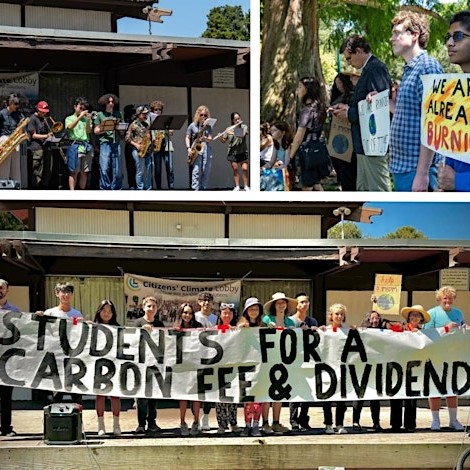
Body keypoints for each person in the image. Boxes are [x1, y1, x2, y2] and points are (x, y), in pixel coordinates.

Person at [389, 11, 443, 191]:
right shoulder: (410, 69)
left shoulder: (428, 67)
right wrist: (382, 102)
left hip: (416, 171)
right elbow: (409, 113)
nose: (392, 38)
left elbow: (434, 125)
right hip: (403, 168)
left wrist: (422, 174)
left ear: (414, 35)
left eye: (397, 33)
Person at [331, 35, 392, 191]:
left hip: (373, 146)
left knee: (378, 192)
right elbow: (365, 105)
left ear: (358, 51)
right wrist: (347, 108)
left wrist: (350, 113)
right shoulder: (368, 70)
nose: (348, 62)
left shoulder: (375, 68)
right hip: (364, 146)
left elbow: (378, 111)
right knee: (364, 191)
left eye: (349, 58)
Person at [423, 286, 465, 431]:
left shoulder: (459, 313)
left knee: (453, 388)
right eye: (445, 298)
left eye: (450, 298)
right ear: (440, 299)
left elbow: (462, 330)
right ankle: (435, 420)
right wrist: (446, 328)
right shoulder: (432, 313)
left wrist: (464, 328)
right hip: (435, 356)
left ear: (454, 299)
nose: (447, 300)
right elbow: (427, 334)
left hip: (453, 356)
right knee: (435, 388)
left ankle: (453, 420)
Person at [35, 282, 83, 404]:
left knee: (76, 396)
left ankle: (77, 421)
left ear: (72, 295)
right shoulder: (49, 313)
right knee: (54, 398)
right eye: (63, 292)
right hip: (53, 360)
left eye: (68, 292)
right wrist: (37, 318)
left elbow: (78, 333)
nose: (66, 295)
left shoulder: (76, 315)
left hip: (70, 360)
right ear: (57, 294)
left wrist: (86, 325)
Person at [438, 10, 470, 191]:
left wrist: (459, 181)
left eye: (458, 36)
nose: (449, 43)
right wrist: (446, 182)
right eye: (448, 37)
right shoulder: (455, 91)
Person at [389, 305, 430, 432]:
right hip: (398, 366)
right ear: (408, 317)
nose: (415, 317)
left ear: (421, 319)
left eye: (418, 315)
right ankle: (395, 424)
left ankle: (410, 425)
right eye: (413, 315)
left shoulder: (426, 333)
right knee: (396, 395)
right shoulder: (400, 328)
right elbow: (385, 328)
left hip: (415, 368)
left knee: (411, 396)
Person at [261, 292, 296, 434]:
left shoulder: (290, 322)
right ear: (274, 305)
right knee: (266, 392)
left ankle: (276, 422)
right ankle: (265, 422)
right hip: (268, 359)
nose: (281, 305)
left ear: (286, 305)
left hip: (283, 360)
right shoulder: (267, 318)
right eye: (278, 303)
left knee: (279, 391)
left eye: (283, 302)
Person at [290, 76, 330, 191]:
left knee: (307, 186)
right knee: (316, 183)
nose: (298, 90)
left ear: (308, 89)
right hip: (317, 149)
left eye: (300, 87)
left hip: (306, 151)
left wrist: (291, 155)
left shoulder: (307, 110)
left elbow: (300, 134)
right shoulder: (319, 108)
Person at [133, 296, 164, 435]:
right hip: (141, 365)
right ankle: (141, 424)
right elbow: (131, 341)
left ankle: (152, 422)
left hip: (156, 365)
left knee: (154, 397)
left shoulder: (160, 324)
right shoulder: (137, 323)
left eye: (154, 306)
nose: (151, 309)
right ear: (144, 307)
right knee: (141, 397)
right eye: (149, 306)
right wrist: (141, 331)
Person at [352, 310, 386, 432]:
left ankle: (376, 423)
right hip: (362, 368)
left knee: (375, 398)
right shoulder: (362, 331)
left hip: (376, 368)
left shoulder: (384, 332)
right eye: (372, 318)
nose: (374, 321)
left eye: (377, 318)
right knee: (359, 397)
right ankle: (355, 421)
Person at [288, 293, 318, 430]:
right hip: (294, 361)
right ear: (296, 305)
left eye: (306, 301)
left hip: (309, 360)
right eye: (301, 302)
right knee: (295, 391)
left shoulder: (313, 321)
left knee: (308, 390)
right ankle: (293, 420)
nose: (304, 304)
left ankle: (304, 419)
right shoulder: (290, 321)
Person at [93, 300, 121, 436]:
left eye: (109, 311)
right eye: (104, 310)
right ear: (99, 311)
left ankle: (116, 424)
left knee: (115, 396)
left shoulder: (118, 328)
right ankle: (101, 425)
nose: (106, 313)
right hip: (98, 366)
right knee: (100, 396)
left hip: (114, 365)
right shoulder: (92, 328)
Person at [173, 303, 202, 436]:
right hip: (181, 368)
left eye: (190, 313)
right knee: (183, 397)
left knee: (196, 397)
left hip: (196, 366)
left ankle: (196, 422)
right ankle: (183, 422)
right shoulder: (175, 329)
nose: (187, 315)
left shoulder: (198, 328)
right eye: (185, 312)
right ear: (180, 313)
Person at [237, 297, 263, 437]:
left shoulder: (264, 325)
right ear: (247, 311)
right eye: (251, 309)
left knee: (259, 397)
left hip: (261, 365)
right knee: (247, 399)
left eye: (256, 309)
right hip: (246, 366)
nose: (254, 311)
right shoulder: (241, 325)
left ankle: (256, 425)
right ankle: (247, 425)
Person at [321, 303, 348, 434]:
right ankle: (328, 424)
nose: (339, 316)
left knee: (341, 399)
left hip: (342, 368)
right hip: (327, 368)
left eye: (341, 314)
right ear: (331, 316)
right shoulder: (324, 330)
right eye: (336, 313)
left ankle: (340, 423)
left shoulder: (348, 331)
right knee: (327, 398)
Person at [328, 73, 357, 191]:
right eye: (336, 84)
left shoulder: (352, 97)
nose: (339, 86)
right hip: (338, 135)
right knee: (341, 166)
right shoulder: (337, 97)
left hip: (349, 137)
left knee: (349, 169)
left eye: (340, 82)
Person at [194, 291, 218, 430]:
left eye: (208, 301)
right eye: (203, 300)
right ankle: (196, 419)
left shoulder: (216, 318)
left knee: (209, 390)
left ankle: (206, 417)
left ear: (212, 303)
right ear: (199, 302)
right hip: (196, 358)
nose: (206, 303)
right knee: (197, 391)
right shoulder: (194, 317)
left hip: (212, 359)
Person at [215, 303, 240, 434]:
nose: (227, 315)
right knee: (220, 398)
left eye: (229, 313)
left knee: (232, 396)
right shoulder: (214, 329)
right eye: (224, 313)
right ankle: (221, 424)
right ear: (220, 314)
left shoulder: (237, 329)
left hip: (233, 366)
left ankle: (233, 422)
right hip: (218, 367)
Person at [0, 279, 21, 437]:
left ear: (7, 290)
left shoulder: (15, 311)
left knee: (6, 397)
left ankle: (6, 428)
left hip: (7, 362)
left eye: (1, 288)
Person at [94, 93, 123, 190]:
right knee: (104, 167)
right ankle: (105, 188)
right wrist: (106, 128)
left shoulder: (118, 114)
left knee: (117, 168)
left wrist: (121, 128)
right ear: (104, 103)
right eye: (108, 102)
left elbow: (122, 129)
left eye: (112, 102)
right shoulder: (100, 115)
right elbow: (96, 131)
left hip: (116, 142)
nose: (111, 104)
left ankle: (116, 188)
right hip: (105, 143)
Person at [65, 97, 93, 190]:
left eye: (84, 109)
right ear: (75, 107)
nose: (82, 111)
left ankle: (82, 192)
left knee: (84, 172)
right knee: (73, 172)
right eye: (80, 108)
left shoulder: (86, 119)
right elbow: (69, 127)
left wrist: (88, 120)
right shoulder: (69, 118)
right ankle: (72, 192)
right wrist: (80, 117)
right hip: (75, 146)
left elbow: (88, 131)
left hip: (86, 146)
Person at [185, 105, 213, 191]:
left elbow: (210, 138)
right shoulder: (192, 125)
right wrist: (188, 148)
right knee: (196, 169)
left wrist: (206, 138)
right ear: (198, 115)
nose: (203, 117)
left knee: (206, 169)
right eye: (201, 115)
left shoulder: (209, 126)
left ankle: (203, 188)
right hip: (196, 147)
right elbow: (187, 137)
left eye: (205, 115)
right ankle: (195, 189)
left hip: (206, 147)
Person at [125, 105, 153, 190]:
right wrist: (136, 144)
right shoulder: (133, 125)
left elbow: (149, 136)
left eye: (146, 114)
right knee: (140, 168)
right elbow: (127, 138)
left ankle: (148, 188)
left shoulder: (147, 125)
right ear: (139, 114)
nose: (145, 115)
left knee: (148, 168)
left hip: (146, 149)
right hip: (136, 149)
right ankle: (140, 188)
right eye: (144, 114)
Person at [220, 112, 249, 191]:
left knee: (244, 168)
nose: (237, 120)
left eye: (238, 118)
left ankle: (246, 186)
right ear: (233, 120)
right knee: (235, 169)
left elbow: (242, 134)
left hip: (242, 151)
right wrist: (220, 137)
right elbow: (223, 140)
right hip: (233, 152)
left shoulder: (244, 126)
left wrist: (232, 132)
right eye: (235, 119)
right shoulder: (228, 128)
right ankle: (237, 186)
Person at [27, 100, 53, 189]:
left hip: (46, 147)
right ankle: (35, 191)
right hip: (37, 148)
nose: (44, 114)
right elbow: (33, 135)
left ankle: (44, 189)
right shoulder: (32, 119)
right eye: (43, 112)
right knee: (37, 171)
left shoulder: (44, 119)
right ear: (38, 110)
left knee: (47, 170)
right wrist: (46, 135)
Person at [149, 100, 175, 190]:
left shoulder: (165, 120)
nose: (158, 111)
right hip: (157, 146)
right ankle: (159, 189)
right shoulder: (151, 121)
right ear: (152, 110)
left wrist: (168, 130)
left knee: (170, 168)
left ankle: (171, 188)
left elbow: (171, 132)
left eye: (160, 109)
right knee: (157, 169)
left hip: (167, 146)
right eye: (156, 110)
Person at [0, 94, 22, 183]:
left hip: (15, 140)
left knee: (15, 165)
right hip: (5, 139)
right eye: (15, 104)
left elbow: (18, 126)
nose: (17, 106)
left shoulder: (17, 114)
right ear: (10, 103)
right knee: (5, 165)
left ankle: (16, 183)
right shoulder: (1, 113)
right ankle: (3, 183)